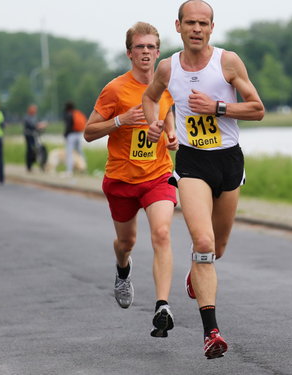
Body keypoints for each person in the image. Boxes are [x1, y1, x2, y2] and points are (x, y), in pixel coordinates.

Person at [143, 0, 264, 359]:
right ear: (177, 27)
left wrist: (218, 107)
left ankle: (197, 274)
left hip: (228, 162)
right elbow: (151, 98)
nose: (197, 29)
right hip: (192, 162)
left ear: (212, 28)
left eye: (203, 23)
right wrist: (155, 124)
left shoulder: (227, 62)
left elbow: (258, 109)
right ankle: (211, 332)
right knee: (203, 241)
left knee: (217, 249)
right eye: (190, 23)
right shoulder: (167, 68)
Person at [84, 22, 178, 338]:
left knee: (162, 233)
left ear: (158, 52)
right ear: (129, 53)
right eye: (140, 47)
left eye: (152, 47)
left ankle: (162, 305)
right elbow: (88, 132)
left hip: (158, 176)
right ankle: (122, 268)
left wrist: (173, 134)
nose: (146, 52)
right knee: (127, 242)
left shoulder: (167, 83)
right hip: (122, 179)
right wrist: (121, 120)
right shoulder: (115, 89)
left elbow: (172, 111)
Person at [63, 101, 87, 175]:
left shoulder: (68, 115)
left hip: (71, 135)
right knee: (80, 152)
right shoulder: (77, 113)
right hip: (79, 134)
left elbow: (68, 127)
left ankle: (69, 171)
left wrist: (65, 135)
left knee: (69, 153)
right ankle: (84, 169)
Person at [23, 104, 47, 172]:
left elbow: (38, 125)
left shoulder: (36, 117)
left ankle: (42, 164)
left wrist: (42, 126)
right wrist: (38, 125)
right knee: (30, 150)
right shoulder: (27, 117)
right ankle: (29, 166)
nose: (35, 111)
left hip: (36, 135)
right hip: (29, 136)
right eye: (33, 110)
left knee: (40, 148)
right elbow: (31, 125)